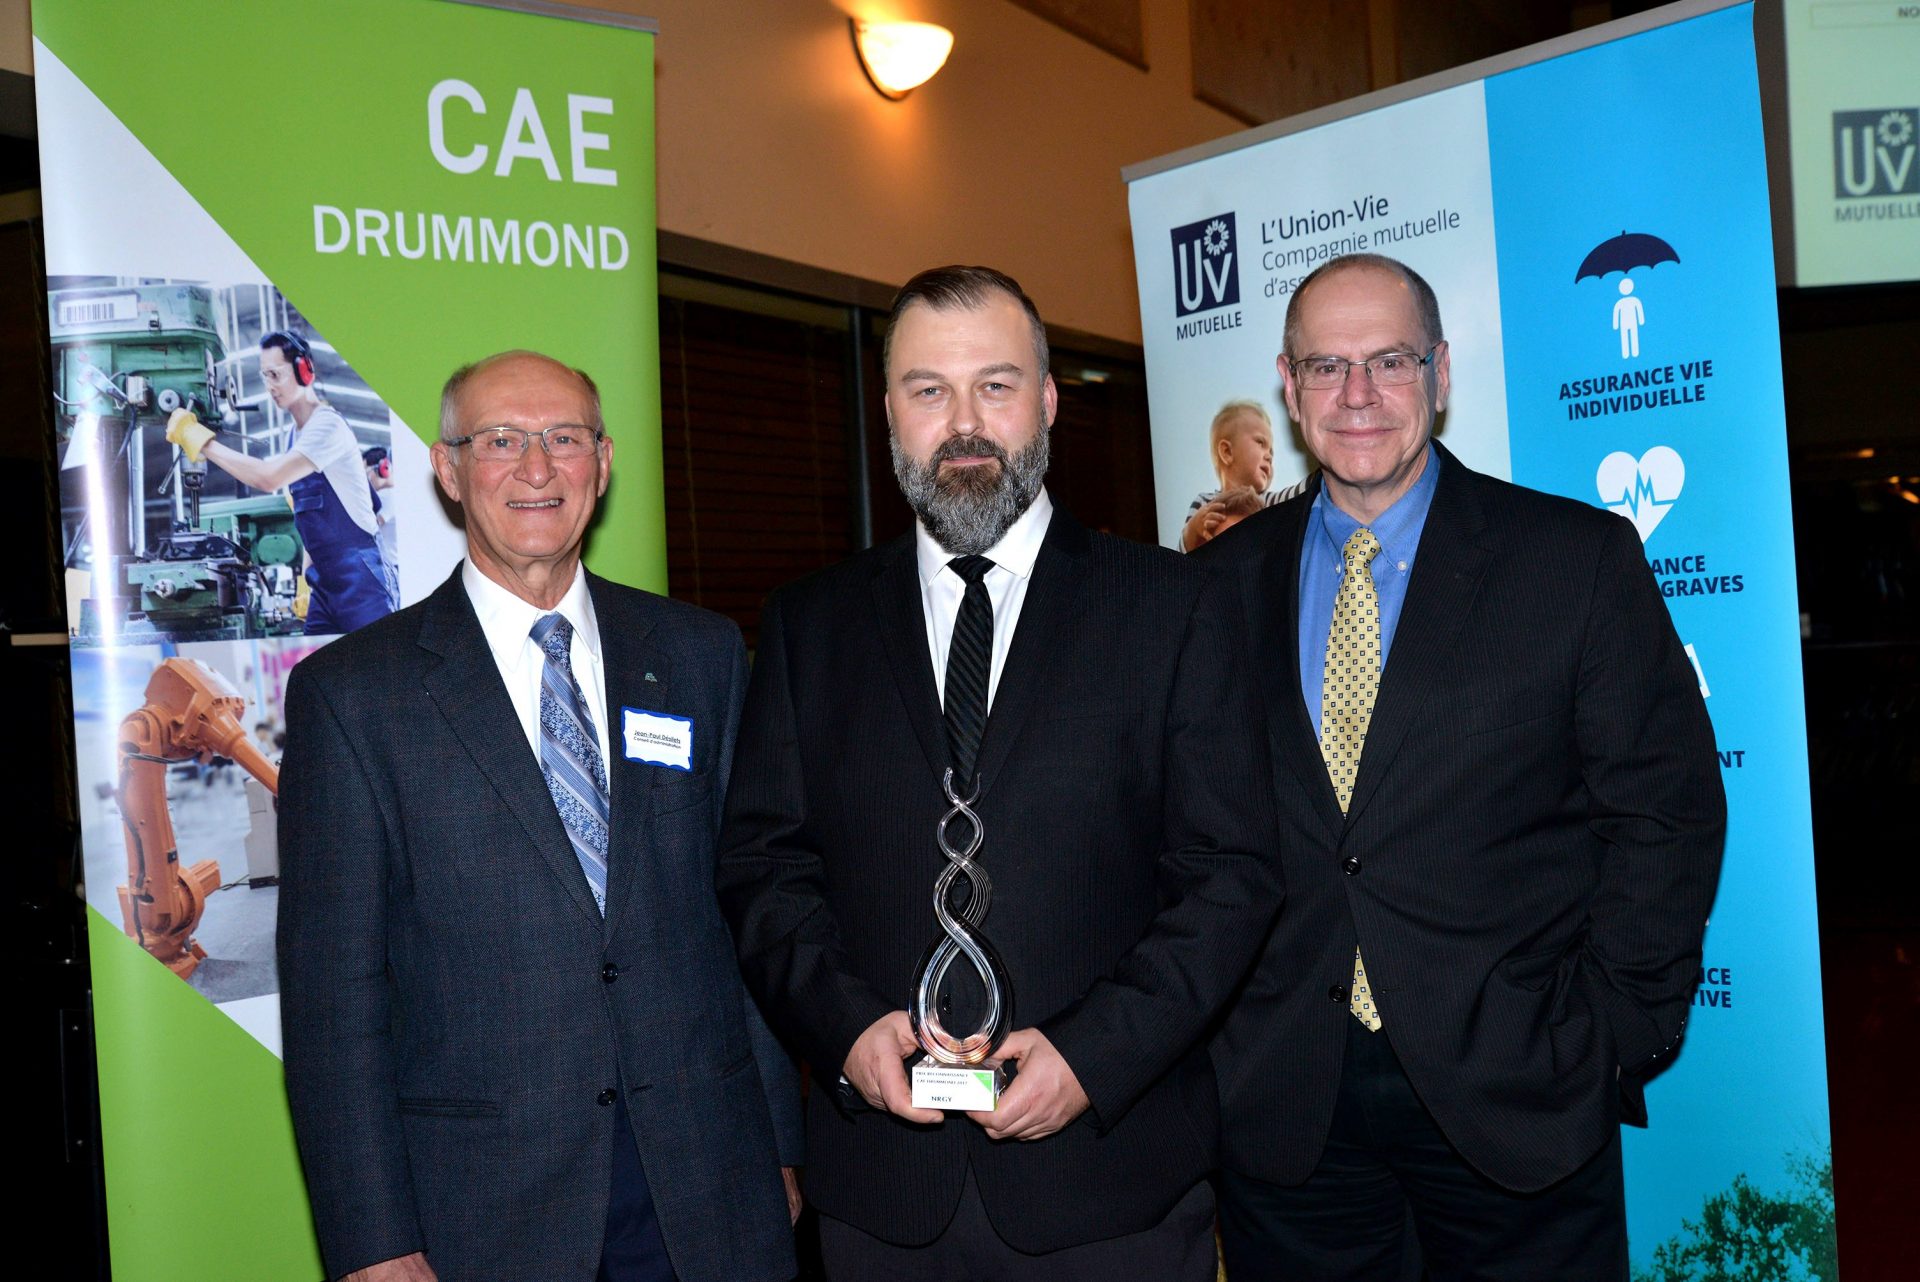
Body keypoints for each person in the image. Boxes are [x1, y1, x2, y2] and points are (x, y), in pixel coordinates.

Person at [716, 265, 1281, 1281]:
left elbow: (1231, 874)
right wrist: (845, 1030)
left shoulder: (1173, 607)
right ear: (890, 410)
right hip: (884, 1199)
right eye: (929, 390)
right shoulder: (810, 624)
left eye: (997, 385)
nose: (965, 423)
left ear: (1049, 401)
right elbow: (764, 867)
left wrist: (1095, 1057)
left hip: (1111, 1185)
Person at [1199, 253, 1726, 1281]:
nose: (1358, 395)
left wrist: (1611, 1032)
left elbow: (1666, 812)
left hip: (1517, 1090)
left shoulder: (1574, 559)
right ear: (1289, 386)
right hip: (1286, 1106)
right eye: (1327, 366)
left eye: (1389, 361)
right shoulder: (1215, 585)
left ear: (1440, 374)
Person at [277, 351, 803, 1282]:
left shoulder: (700, 655)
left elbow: (747, 915)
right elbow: (333, 999)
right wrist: (373, 1239)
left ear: (602, 464)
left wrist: (782, 1143)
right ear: (448, 470)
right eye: (500, 441)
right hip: (485, 1208)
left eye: (564, 438)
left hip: (710, 1180)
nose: (536, 467)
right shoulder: (353, 696)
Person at [165, 330, 395, 634]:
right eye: (265, 376)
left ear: (304, 369)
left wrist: (200, 441)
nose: (270, 386)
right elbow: (310, 521)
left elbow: (267, 477)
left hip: (362, 581)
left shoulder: (327, 426)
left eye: (276, 374)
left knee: (379, 662)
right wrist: (305, 579)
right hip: (324, 583)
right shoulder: (293, 437)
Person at [1179, 400, 1304, 551]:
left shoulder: (1269, 502)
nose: (1269, 456)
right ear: (1227, 452)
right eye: (1261, 443)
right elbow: (1182, 554)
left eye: (1271, 451)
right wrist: (1193, 529)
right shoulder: (1204, 503)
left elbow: (1307, 490)